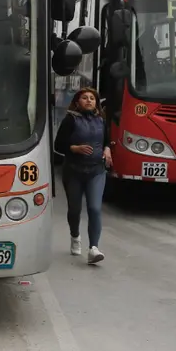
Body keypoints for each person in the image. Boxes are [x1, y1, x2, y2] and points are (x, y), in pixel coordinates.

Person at [54, 87, 113, 264]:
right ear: (78, 102)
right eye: (85, 98)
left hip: (96, 170)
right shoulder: (70, 120)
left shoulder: (101, 120)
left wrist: (108, 149)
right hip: (74, 171)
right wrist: (75, 148)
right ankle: (75, 236)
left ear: (96, 103)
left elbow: (106, 140)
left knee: (94, 208)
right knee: (75, 209)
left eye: (92, 98)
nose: (89, 100)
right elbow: (58, 144)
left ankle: (93, 248)